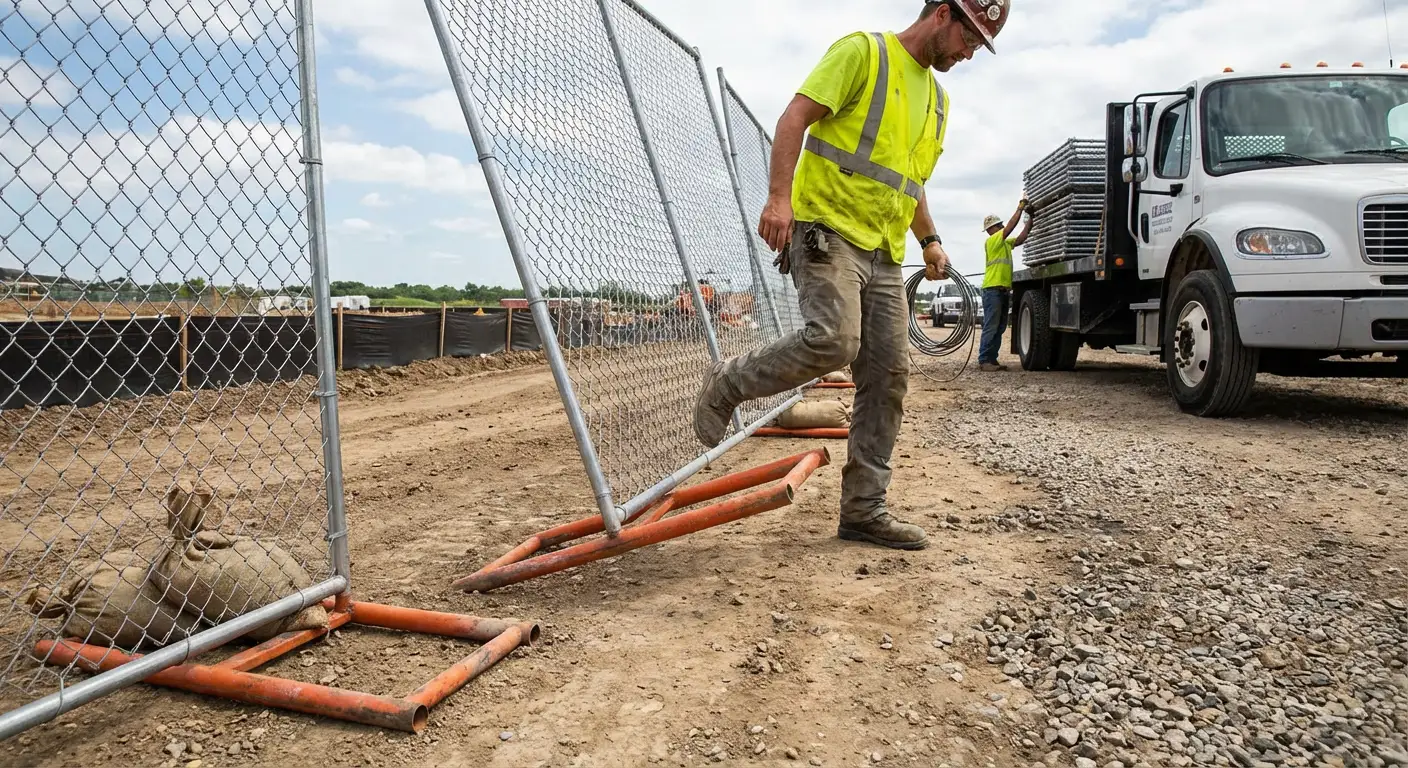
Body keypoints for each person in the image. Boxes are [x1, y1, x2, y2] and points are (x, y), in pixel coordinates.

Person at [692, 0, 1011, 551]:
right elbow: (794, 118)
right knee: (835, 340)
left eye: (980, 46)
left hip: (884, 251)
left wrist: (929, 240)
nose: (969, 53)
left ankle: (864, 511)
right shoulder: (865, 54)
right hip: (827, 229)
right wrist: (778, 199)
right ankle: (728, 382)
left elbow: (909, 180)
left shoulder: (938, 101)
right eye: (969, 38)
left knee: (888, 376)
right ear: (942, 15)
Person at [977, 199, 1031, 372]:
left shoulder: (1004, 243)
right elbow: (1010, 228)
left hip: (1002, 290)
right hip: (992, 290)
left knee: (1000, 327)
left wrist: (1031, 219)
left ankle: (992, 359)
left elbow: (1021, 238)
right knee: (991, 326)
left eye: (1001, 225)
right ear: (991, 230)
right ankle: (984, 360)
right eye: (998, 225)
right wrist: (1020, 209)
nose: (1001, 227)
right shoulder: (992, 240)